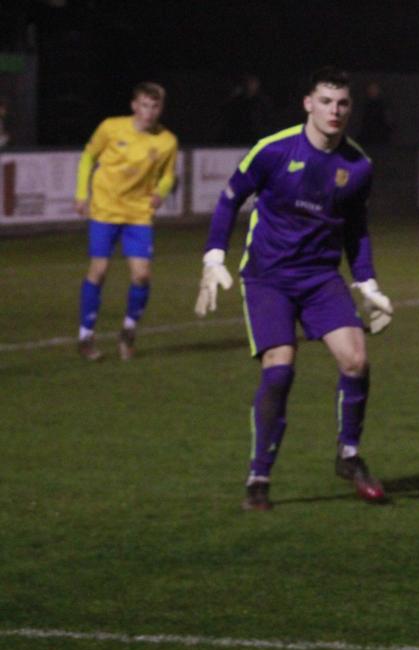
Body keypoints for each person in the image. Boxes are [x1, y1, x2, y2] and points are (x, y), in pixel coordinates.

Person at [195, 67, 395, 511]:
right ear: (308, 104)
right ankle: (259, 478)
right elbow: (229, 199)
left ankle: (348, 455)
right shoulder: (274, 150)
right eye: (325, 101)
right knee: (280, 368)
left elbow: (356, 229)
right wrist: (213, 256)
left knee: (356, 360)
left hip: (321, 278)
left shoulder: (358, 166)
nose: (334, 111)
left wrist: (367, 282)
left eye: (342, 103)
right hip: (268, 277)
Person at [73, 81, 178, 361]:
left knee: (142, 275)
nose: (149, 111)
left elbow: (168, 175)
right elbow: (88, 156)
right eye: (144, 105)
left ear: (161, 109)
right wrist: (81, 194)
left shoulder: (167, 141)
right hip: (105, 210)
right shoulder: (111, 127)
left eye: (154, 106)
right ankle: (86, 336)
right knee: (98, 271)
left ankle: (129, 330)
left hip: (138, 214)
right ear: (134, 106)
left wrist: (161, 192)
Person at [221, 74, 274, 145]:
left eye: (252, 82)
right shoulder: (237, 101)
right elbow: (227, 114)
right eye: (248, 82)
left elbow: (268, 119)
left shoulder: (262, 101)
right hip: (240, 136)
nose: (250, 85)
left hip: (258, 135)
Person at [355, 81, 392, 146]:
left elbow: (387, 121)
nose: (372, 92)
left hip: (380, 137)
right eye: (371, 90)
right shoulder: (366, 106)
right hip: (368, 137)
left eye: (374, 90)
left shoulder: (383, 106)